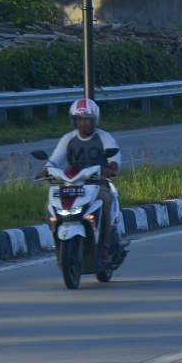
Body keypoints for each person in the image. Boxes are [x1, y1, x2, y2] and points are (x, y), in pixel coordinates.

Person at [46, 98, 124, 265]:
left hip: (98, 184)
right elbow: (54, 160)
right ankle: (58, 246)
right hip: (71, 184)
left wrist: (110, 168)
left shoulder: (104, 137)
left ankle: (104, 248)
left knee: (104, 202)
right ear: (74, 121)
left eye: (87, 119)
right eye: (79, 119)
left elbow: (115, 158)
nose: (84, 123)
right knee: (50, 207)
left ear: (95, 120)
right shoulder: (68, 139)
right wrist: (46, 170)